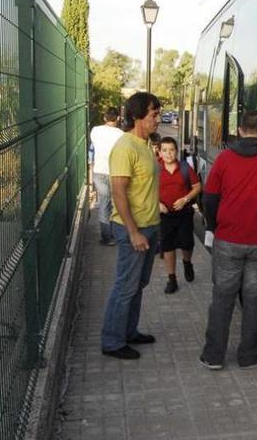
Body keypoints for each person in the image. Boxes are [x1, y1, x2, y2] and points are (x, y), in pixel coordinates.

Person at [200, 110, 257, 371]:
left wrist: (215, 227)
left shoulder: (224, 158)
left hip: (228, 238)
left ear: (239, 130)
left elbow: (210, 198)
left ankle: (213, 356)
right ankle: (249, 355)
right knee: (255, 299)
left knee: (222, 298)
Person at [100, 92, 162, 360]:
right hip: (132, 230)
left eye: (158, 113)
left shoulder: (145, 144)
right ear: (137, 116)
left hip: (150, 226)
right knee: (125, 285)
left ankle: (129, 331)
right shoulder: (125, 147)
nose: (158, 119)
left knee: (139, 283)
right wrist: (133, 231)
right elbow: (118, 192)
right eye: (153, 114)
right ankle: (112, 341)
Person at [158, 136, 201, 294]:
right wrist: (158, 204)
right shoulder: (155, 169)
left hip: (184, 213)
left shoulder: (184, 168)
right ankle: (172, 278)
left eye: (171, 150)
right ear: (159, 152)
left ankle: (187, 262)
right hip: (165, 215)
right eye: (165, 150)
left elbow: (197, 187)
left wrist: (185, 199)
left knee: (187, 243)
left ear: (176, 151)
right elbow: (148, 191)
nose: (168, 154)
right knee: (167, 246)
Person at [89, 107, 124, 245]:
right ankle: (118, 234)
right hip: (116, 172)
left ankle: (107, 237)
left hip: (99, 171)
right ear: (118, 118)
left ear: (104, 118)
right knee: (117, 203)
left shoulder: (95, 131)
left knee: (104, 203)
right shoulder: (121, 134)